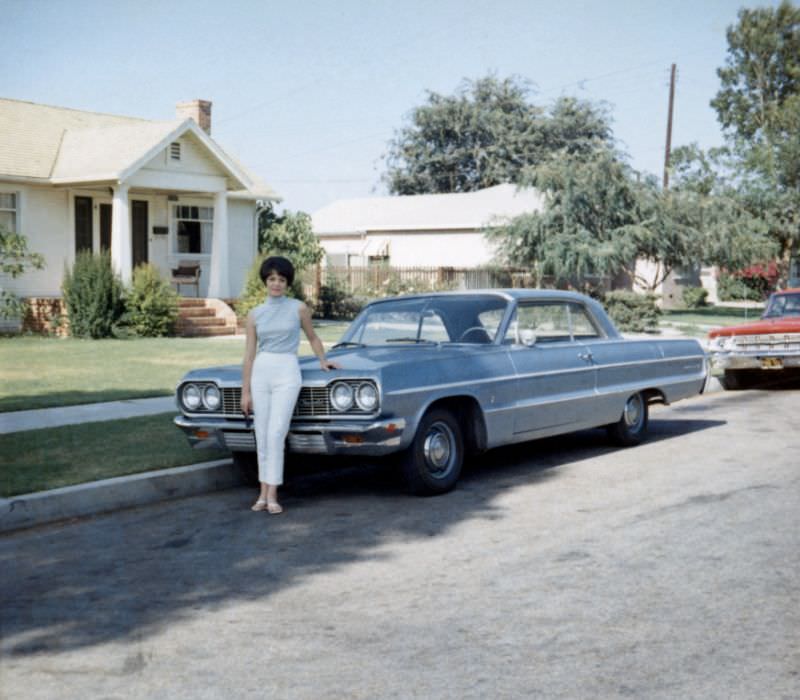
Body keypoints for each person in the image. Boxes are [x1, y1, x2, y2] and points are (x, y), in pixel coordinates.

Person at [240, 256, 339, 514]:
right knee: (261, 433)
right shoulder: (255, 315)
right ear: (265, 281)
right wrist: (245, 392)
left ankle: (273, 494)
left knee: (276, 432)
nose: (276, 284)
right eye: (272, 279)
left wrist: (323, 360)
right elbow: (249, 355)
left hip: (287, 370)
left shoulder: (298, 308)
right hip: (261, 371)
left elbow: (313, 337)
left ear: (287, 283)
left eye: (281, 279)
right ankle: (262, 493)